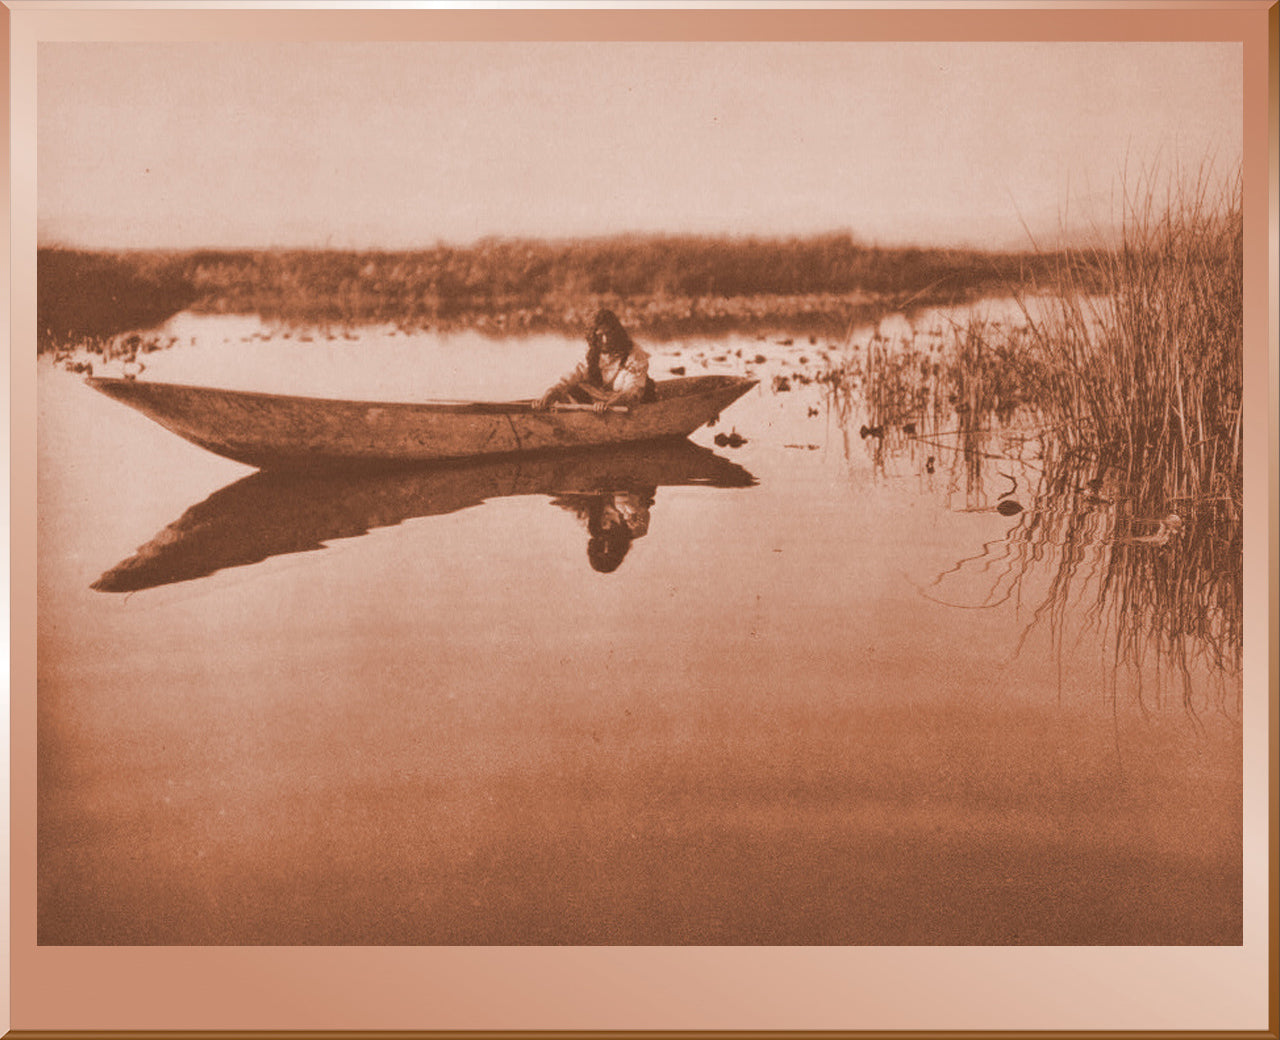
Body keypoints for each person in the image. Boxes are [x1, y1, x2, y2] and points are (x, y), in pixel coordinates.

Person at [535, 309, 656, 413]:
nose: (605, 340)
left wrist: (609, 405)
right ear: (593, 337)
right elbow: (570, 378)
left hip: (624, 403)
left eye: (609, 334)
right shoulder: (592, 354)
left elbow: (632, 391)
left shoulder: (634, 355)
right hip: (600, 403)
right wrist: (551, 393)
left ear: (616, 332)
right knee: (570, 390)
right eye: (600, 335)